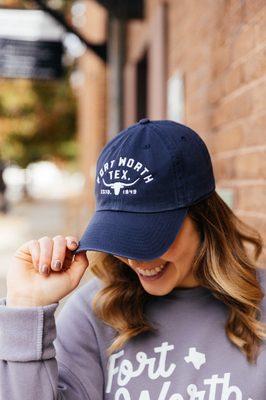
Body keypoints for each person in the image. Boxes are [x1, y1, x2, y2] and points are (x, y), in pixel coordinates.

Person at [0, 119, 265, 400]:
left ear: (203, 219)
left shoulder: (260, 307)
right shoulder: (95, 313)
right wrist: (27, 308)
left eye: (149, 237)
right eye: (120, 236)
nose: (133, 259)